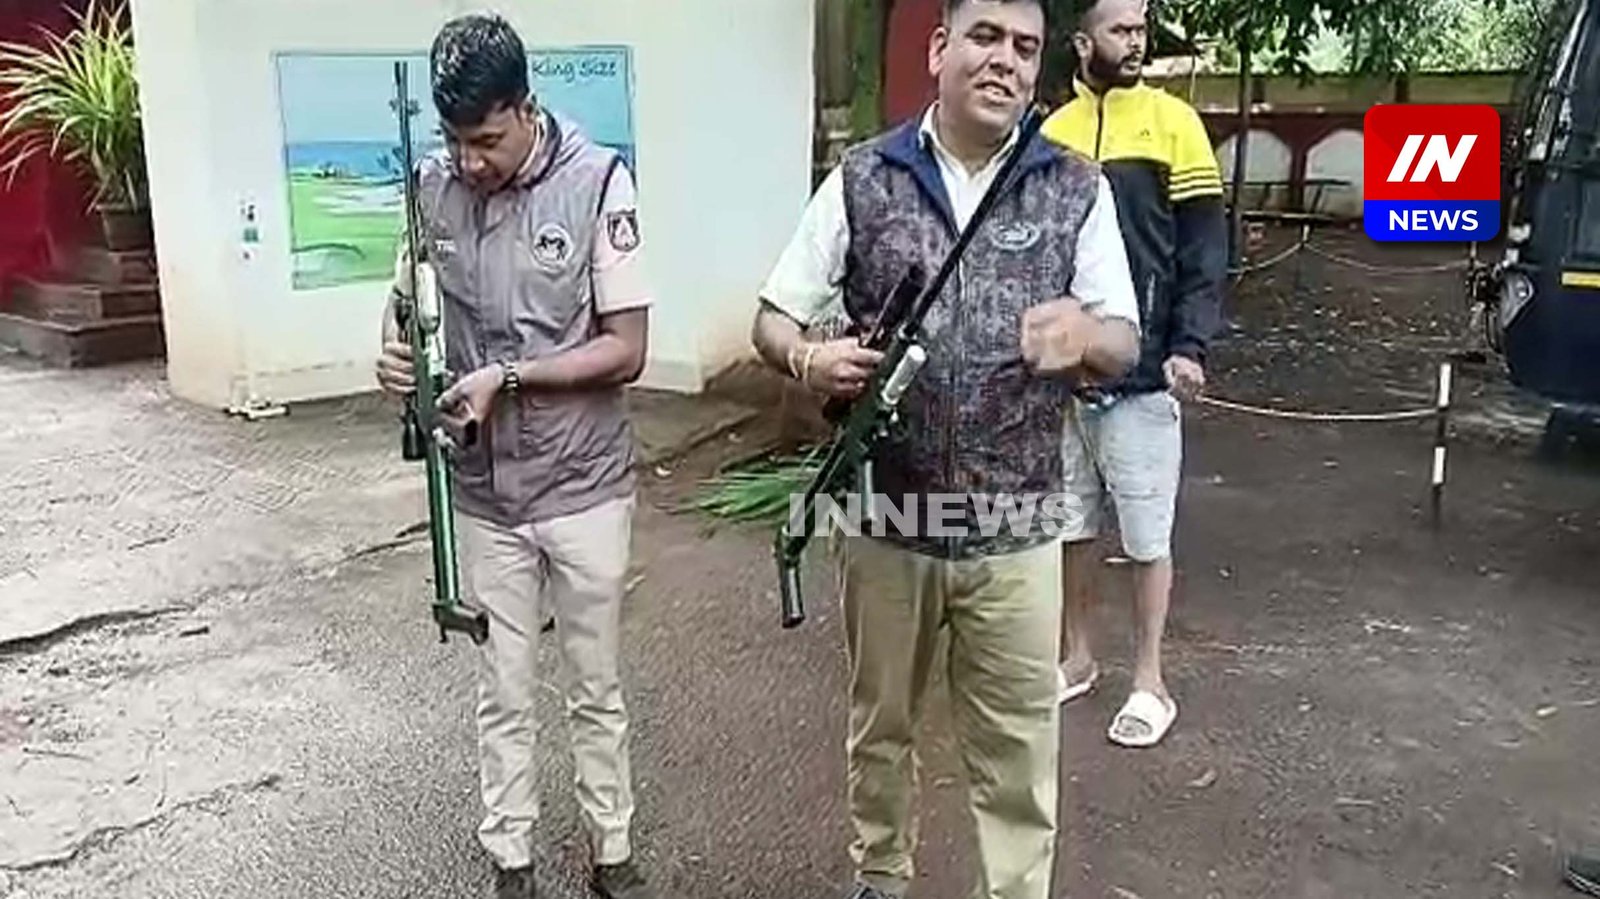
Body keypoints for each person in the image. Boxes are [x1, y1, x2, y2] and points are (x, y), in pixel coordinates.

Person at [750, 1, 1142, 895]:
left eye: (1026, 47)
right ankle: (880, 876)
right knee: (880, 729)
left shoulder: (1075, 186)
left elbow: (1124, 339)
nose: (1006, 61)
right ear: (939, 49)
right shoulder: (864, 176)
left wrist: (1084, 333)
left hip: (1019, 527)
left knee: (1019, 751)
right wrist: (811, 359)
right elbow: (772, 316)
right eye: (986, 37)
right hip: (887, 519)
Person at [374, 13, 656, 899]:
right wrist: (393, 357)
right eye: (455, 140)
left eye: (487, 141)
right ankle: (512, 857)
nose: (470, 161)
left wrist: (510, 377)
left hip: (584, 485)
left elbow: (628, 348)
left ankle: (613, 847)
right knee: (504, 686)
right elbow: (404, 308)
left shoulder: (598, 182)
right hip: (485, 491)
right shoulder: (430, 188)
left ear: (526, 108)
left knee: (594, 682)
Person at [1040, 0, 1228, 748]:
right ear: (1084, 42)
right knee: (1071, 527)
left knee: (1148, 538)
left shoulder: (1174, 124)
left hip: (1147, 379)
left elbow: (1205, 250)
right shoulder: (1050, 134)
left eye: (1141, 29)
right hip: (1067, 381)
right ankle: (1077, 657)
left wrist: (1191, 345)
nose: (1136, 42)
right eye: (1120, 30)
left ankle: (1151, 682)